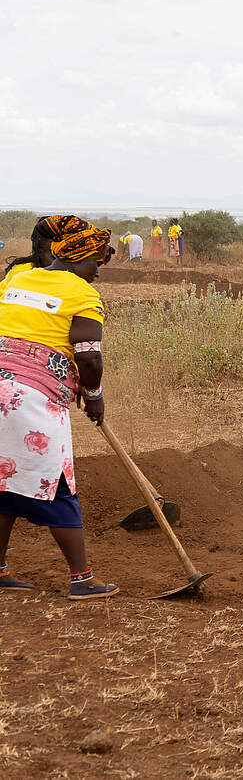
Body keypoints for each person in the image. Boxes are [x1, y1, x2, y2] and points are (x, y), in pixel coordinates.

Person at [0, 225, 119, 599]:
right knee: (57, 481)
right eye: (97, 264)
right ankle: (81, 580)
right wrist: (94, 395)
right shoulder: (83, 294)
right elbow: (89, 356)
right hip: (29, 399)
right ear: (80, 259)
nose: (98, 273)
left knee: (2, 479)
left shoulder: (18, 277)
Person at [0, 215, 92, 295]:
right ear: (40, 252)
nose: (62, 262)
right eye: (55, 256)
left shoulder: (75, 279)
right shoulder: (20, 272)